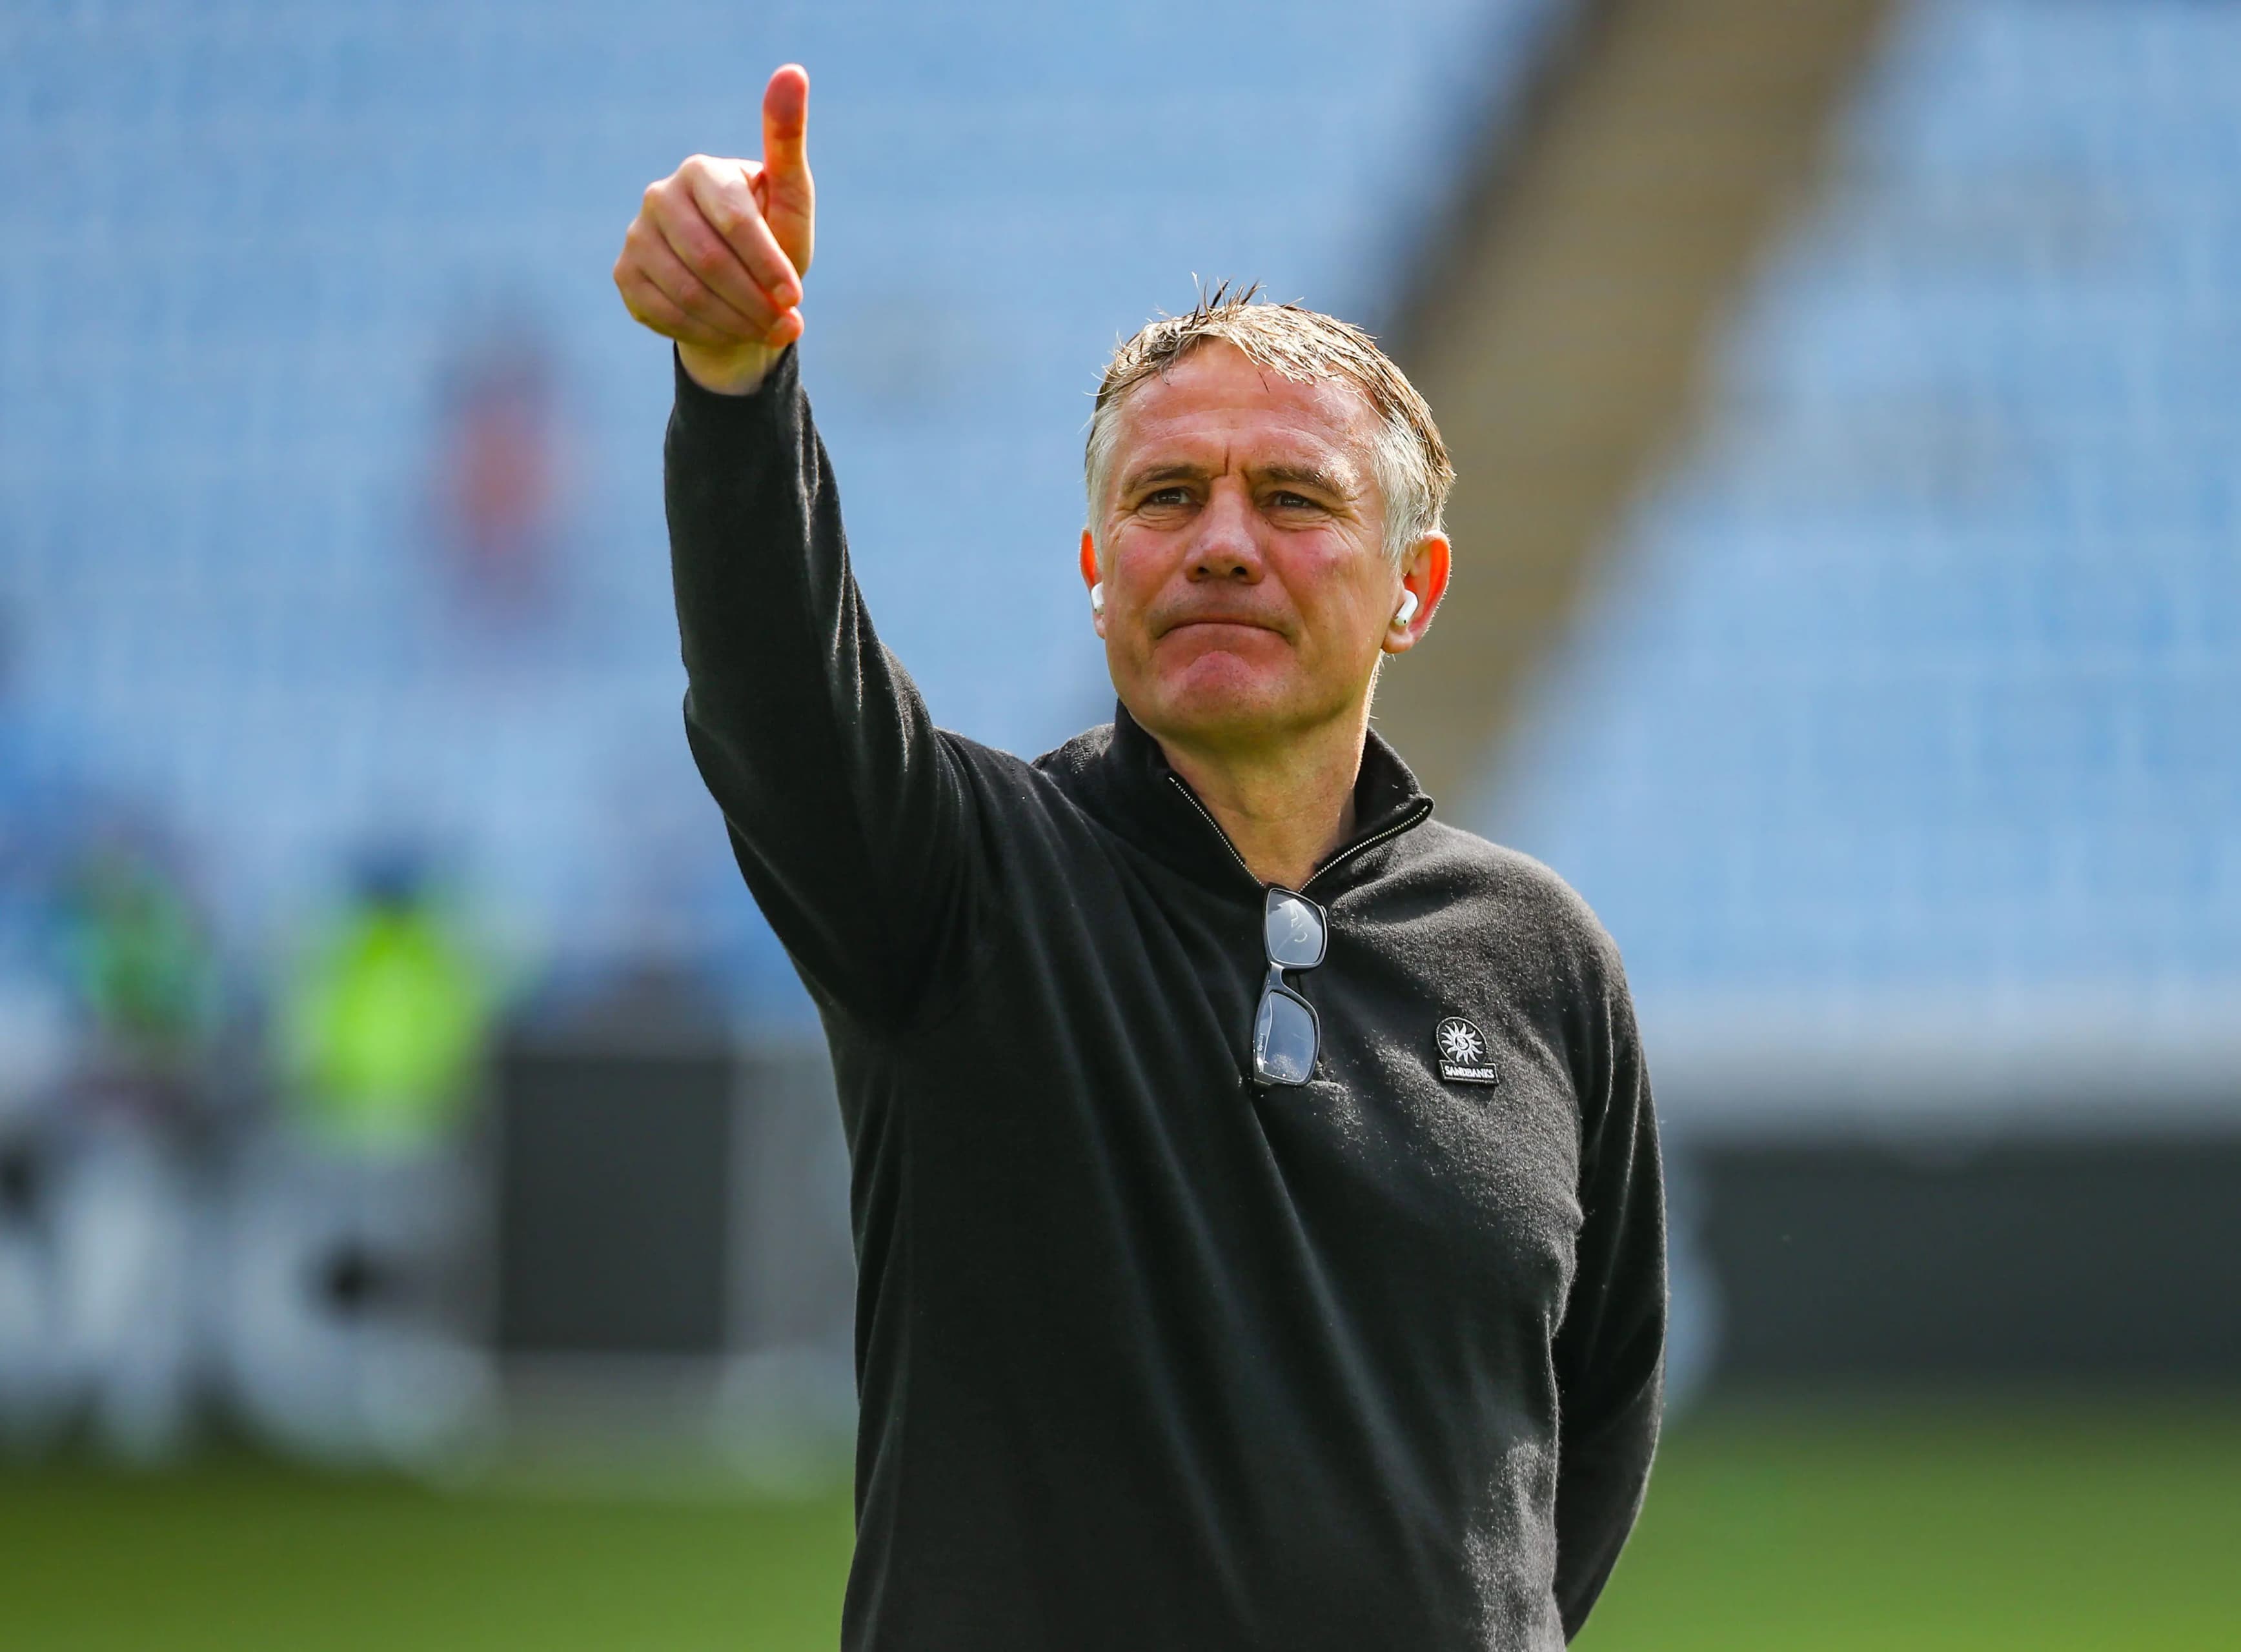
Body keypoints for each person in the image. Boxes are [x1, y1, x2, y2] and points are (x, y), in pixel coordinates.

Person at [616, 64, 1665, 1651]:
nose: (1225, 539)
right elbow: (778, 688)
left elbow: (1587, 1432)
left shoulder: (1539, 955)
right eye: (1169, 496)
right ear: (1101, 572)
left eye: (1294, 496)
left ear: (1413, 584)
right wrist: (736, 379)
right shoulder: (959, 882)